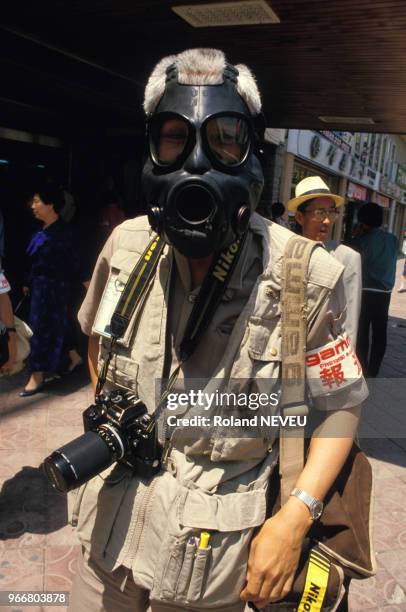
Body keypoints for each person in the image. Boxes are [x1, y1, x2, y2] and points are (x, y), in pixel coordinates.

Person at [70, 48, 367, 611]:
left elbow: (342, 407)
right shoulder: (128, 247)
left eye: (224, 138)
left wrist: (294, 519)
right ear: (152, 147)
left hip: (215, 571)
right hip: (108, 542)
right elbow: (99, 345)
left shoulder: (307, 275)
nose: (197, 162)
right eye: (175, 137)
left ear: (251, 149)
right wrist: (117, 418)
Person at [20, 183, 81, 396]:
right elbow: (34, 261)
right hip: (38, 289)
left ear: (51, 204)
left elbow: (75, 263)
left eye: (37, 201)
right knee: (55, 327)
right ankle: (73, 357)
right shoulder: (39, 230)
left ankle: (37, 376)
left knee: (42, 330)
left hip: (55, 290)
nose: (33, 206)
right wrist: (28, 282)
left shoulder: (64, 233)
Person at [289, 176, 362, 347]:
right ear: (300, 217)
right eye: (320, 213)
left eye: (331, 212)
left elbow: (350, 321)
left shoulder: (346, 258)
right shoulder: (285, 252)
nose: (328, 220)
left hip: (324, 356)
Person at [352, 202, 398, 377]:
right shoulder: (392, 239)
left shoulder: (360, 241)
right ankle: (374, 371)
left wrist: (355, 235)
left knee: (362, 331)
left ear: (362, 220)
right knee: (380, 333)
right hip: (385, 294)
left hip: (364, 291)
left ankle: (362, 369)